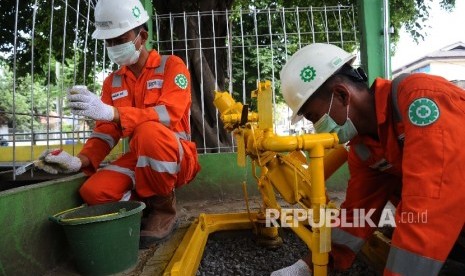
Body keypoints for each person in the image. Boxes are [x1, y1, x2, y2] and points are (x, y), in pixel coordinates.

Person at [272, 43, 465, 275]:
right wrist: (308, 266)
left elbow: (430, 201)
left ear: (342, 95)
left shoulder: (420, 99)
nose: (317, 128)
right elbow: (356, 215)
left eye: (315, 117)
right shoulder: (364, 150)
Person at [38, 0, 201, 247]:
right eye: (109, 41)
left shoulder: (172, 66)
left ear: (142, 36)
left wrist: (113, 112)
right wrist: (78, 161)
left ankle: (164, 210)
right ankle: (142, 205)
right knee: (93, 192)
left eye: (119, 39)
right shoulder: (112, 82)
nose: (113, 46)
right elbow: (105, 132)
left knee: (148, 132)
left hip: (177, 157)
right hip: (140, 158)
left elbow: (169, 113)